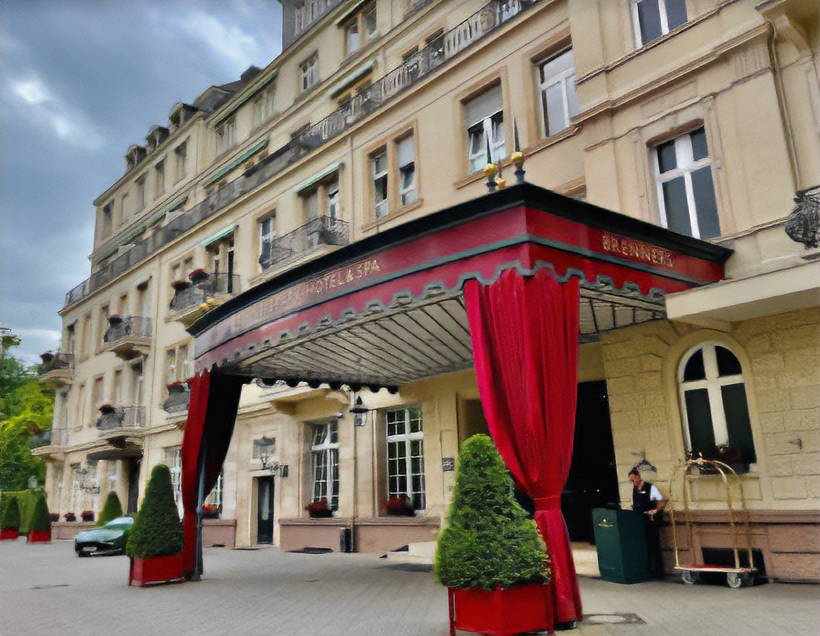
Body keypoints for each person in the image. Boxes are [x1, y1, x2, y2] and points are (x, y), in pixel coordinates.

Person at [629, 468, 667, 578]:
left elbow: (662, 500)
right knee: (644, 546)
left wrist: (656, 510)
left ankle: (658, 572)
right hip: (640, 519)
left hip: (651, 519)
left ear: (639, 476)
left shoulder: (650, 487)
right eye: (632, 480)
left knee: (654, 545)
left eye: (635, 479)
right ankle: (648, 571)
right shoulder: (635, 489)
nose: (635, 482)